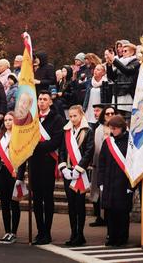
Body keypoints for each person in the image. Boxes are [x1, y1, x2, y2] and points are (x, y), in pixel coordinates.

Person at [30, 89, 64, 245]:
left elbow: (56, 141)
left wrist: (36, 147)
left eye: (45, 99)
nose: (42, 101)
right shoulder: (32, 118)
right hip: (34, 163)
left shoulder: (57, 119)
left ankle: (47, 232)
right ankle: (40, 231)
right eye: (40, 99)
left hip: (48, 162)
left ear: (50, 101)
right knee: (36, 199)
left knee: (47, 198)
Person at [58, 105, 94, 247]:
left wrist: (78, 169)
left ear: (81, 115)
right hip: (68, 173)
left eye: (75, 116)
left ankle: (80, 234)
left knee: (80, 205)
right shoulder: (66, 131)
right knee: (71, 205)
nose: (72, 119)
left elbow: (89, 151)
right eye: (71, 116)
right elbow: (61, 151)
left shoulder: (88, 131)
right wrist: (64, 168)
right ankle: (73, 233)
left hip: (80, 173)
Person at [98, 114, 132, 247]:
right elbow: (102, 163)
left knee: (122, 212)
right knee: (110, 211)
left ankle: (122, 237)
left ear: (122, 128)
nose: (112, 131)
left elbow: (133, 164)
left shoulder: (130, 142)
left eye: (115, 128)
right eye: (111, 128)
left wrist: (131, 185)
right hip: (108, 181)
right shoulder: (108, 142)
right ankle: (111, 236)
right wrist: (100, 182)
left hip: (123, 183)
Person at [0, 112, 25, 244]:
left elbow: (23, 159)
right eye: (6, 120)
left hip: (14, 173)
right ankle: (7, 231)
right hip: (0, 171)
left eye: (10, 119)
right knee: (4, 204)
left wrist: (20, 177)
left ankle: (14, 233)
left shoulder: (20, 138)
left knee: (14, 203)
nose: (8, 122)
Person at [89, 104, 113, 228]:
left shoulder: (118, 128)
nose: (110, 116)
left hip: (113, 166)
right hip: (99, 164)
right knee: (97, 191)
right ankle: (99, 216)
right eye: (107, 114)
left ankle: (107, 217)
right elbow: (98, 148)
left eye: (112, 113)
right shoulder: (99, 129)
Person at [105, 42, 140, 112]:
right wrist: (109, 65)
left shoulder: (136, 62)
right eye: (122, 51)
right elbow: (112, 77)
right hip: (117, 93)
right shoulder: (121, 62)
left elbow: (127, 70)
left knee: (126, 116)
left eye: (125, 51)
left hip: (128, 93)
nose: (123, 52)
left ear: (132, 52)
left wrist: (114, 60)